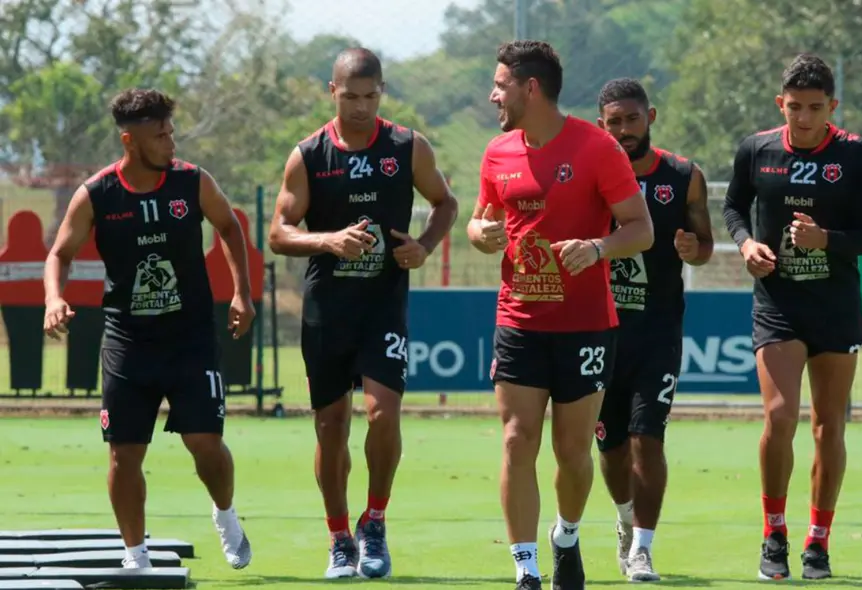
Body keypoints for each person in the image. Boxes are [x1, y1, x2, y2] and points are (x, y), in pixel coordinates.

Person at [42, 88, 256, 570]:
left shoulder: (193, 182)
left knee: (205, 443)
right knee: (124, 455)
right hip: (127, 342)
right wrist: (54, 297)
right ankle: (134, 555)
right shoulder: (96, 193)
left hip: (191, 339)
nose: (171, 142)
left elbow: (229, 228)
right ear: (129, 141)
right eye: (160, 135)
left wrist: (241, 292)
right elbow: (59, 254)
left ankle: (225, 514)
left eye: (171, 132)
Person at [468, 41, 654, 590]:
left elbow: (640, 230)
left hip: (585, 326)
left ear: (531, 88)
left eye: (500, 84)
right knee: (515, 438)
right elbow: (479, 223)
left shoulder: (597, 148)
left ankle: (566, 535)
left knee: (572, 453)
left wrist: (597, 248)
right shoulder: (496, 151)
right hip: (519, 321)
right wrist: (482, 234)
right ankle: (525, 566)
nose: (492, 94)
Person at [267, 47, 458, 580]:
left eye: (370, 97)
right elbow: (278, 233)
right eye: (350, 97)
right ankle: (338, 537)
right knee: (331, 427)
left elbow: (446, 203)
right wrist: (329, 241)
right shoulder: (308, 155)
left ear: (382, 93)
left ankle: (375, 521)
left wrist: (423, 245)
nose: (360, 107)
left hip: (382, 308)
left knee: (382, 414)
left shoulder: (406, 145)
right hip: (327, 312)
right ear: (332, 91)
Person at [722, 53, 862, 581]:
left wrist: (826, 241)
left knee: (828, 426)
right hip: (778, 304)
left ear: (832, 106)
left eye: (816, 108)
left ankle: (819, 540)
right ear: (780, 104)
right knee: (779, 415)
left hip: (836, 308)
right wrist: (746, 244)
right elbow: (732, 209)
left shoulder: (858, 156)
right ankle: (774, 532)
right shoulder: (757, 148)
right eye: (794, 108)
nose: (804, 119)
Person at [594, 77, 715, 582]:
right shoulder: (589, 173)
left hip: (658, 332)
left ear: (651, 117)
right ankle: (624, 518)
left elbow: (706, 242)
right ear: (602, 125)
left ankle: (643, 548)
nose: (623, 130)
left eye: (632, 119)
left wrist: (696, 249)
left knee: (649, 438)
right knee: (611, 445)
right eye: (613, 122)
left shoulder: (683, 176)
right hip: (599, 331)